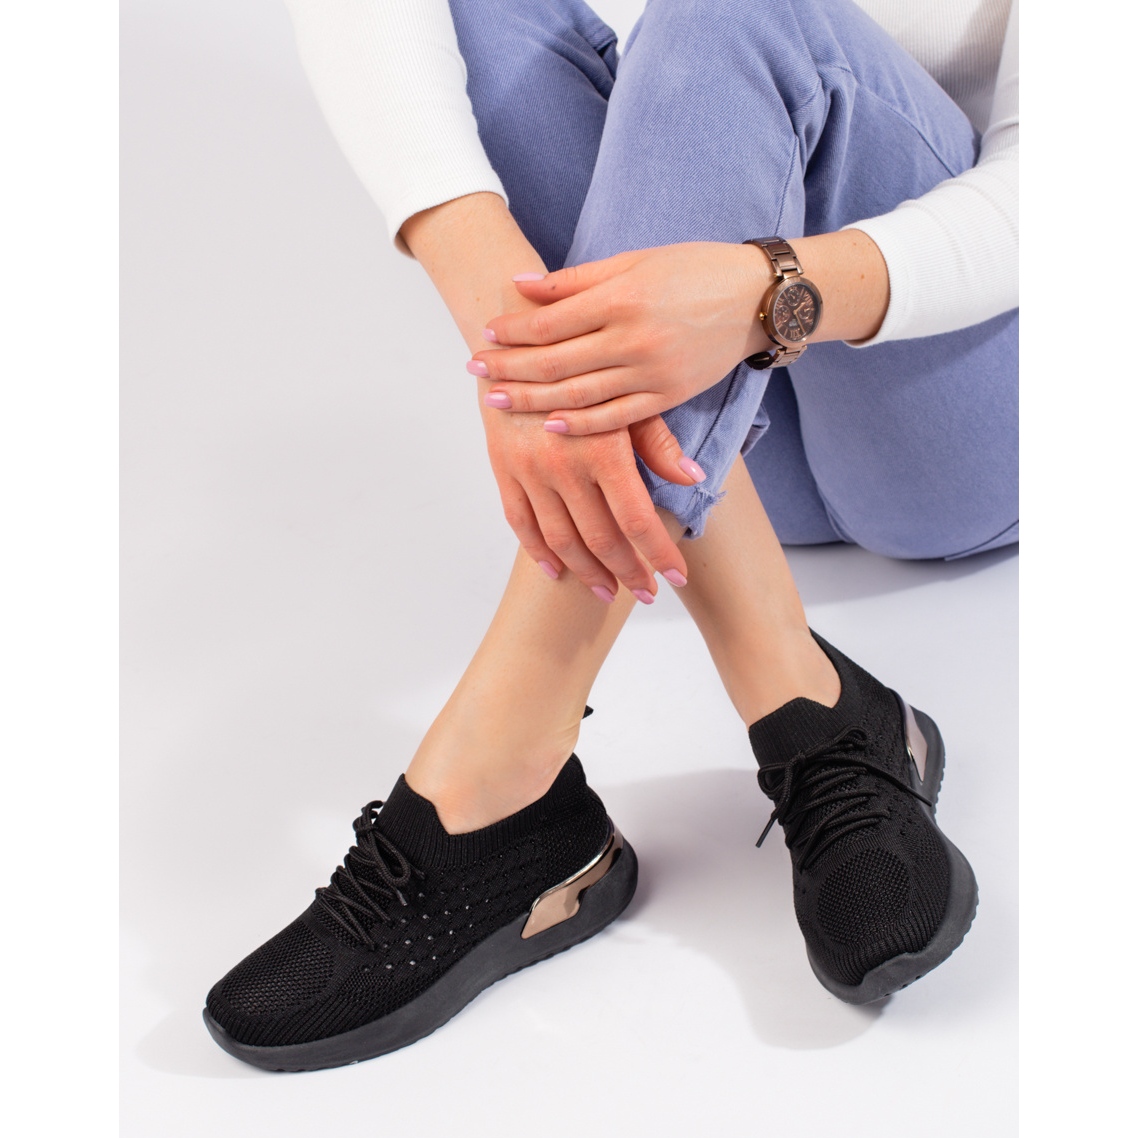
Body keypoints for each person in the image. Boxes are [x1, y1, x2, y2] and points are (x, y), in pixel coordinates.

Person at [202, 0, 1018, 1070]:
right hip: (732, 431)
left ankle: (499, 770)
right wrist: (517, 342)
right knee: (480, 21)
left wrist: (764, 290)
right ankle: (797, 689)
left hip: (960, 420)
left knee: (727, 12)